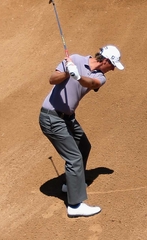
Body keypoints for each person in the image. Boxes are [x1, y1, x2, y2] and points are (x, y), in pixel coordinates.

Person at [39, 45, 124, 218]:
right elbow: (52, 79)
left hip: (67, 118)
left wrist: (77, 76)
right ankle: (75, 205)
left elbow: (92, 83)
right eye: (113, 65)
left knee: (83, 146)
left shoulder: (100, 76)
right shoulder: (76, 59)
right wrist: (67, 72)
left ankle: (72, 185)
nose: (113, 69)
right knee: (74, 158)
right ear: (106, 61)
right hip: (51, 117)